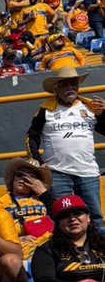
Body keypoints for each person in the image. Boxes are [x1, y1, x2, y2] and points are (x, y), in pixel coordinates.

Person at [25, 66, 105, 227]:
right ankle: (66, 251)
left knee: (94, 216)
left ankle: (99, 250)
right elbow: (31, 136)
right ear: (56, 88)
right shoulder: (45, 110)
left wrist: (103, 114)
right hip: (57, 173)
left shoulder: (91, 107)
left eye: (73, 84)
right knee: (61, 216)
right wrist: (38, 161)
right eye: (65, 84)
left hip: (87, 171)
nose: (70, 88)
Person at [31, 195, 105, 282]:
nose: (72, 219)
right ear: (57, 223)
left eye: (78, 213)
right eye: (65, 216)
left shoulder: (103, 243)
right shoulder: (46, 249)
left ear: (88, 218)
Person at [0, 159, 54, 265]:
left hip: (50, 245)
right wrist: (15, 240)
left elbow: (62, 217)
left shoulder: (45, 200)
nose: (23, 179)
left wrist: (44, 193)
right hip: (19, 248)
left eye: (31, 177)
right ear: (13, 178)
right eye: (20, 175)